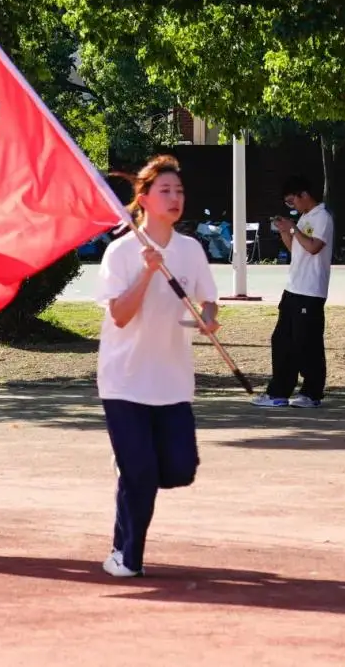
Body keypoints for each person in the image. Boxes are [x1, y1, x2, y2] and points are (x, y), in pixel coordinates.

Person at [97, 155, 219, 578]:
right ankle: (126, 557)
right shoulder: (121, 251)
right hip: (125, 380)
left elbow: (208, 298)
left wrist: (209, 316)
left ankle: (132, 470)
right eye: (165, 191)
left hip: (172, 381)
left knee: (181, 469)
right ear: (144, 199)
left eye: (179, 191)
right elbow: (120, 315)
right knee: (143, 474)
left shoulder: (191, 250)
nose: (175, 198)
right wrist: (147, 274)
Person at [251, 175, 333, 408]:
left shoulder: (322, 217)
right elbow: (296, 250)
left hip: (311, 290)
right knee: (282, 340)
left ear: (303, 195)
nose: (292, 206)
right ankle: (279, 392)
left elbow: (314, 247)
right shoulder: (306, 218)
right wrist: (285, 231)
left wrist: (294, 227)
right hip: (293, 288)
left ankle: (311, 393)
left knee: (307, 342)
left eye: (292, 201)